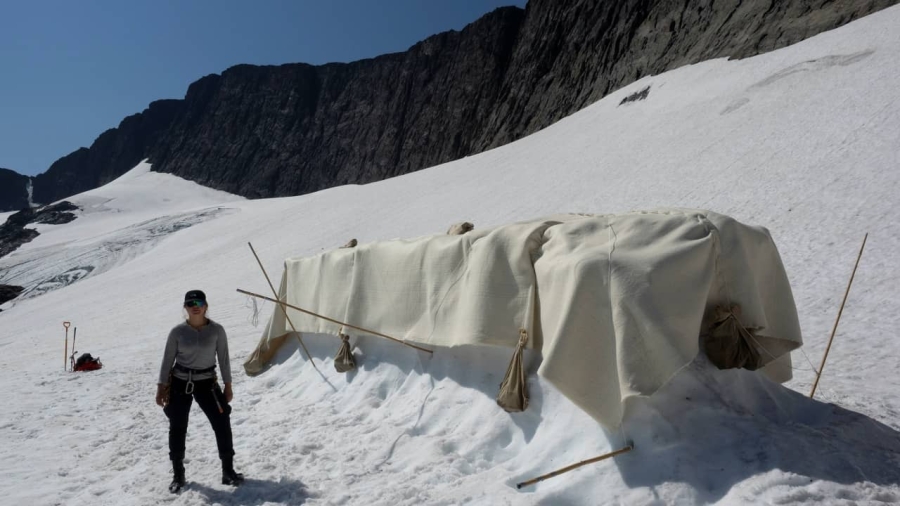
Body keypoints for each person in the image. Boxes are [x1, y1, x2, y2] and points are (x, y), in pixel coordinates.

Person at [156, 290, 244, 493]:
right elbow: (167, 360)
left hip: (207, 383)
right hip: (180, 382)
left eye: (199, 302)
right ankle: (178, 474)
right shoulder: (177, 332)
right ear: (185, 307)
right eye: (190, 303)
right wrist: (161, 388)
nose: (195, 305)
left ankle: (228, 471)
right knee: (177, 426)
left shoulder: (217, 331)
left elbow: (224, 359)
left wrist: (228, 385)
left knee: (222, 422)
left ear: (206, 306)